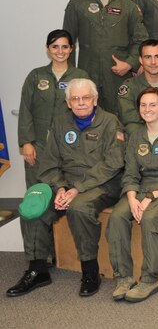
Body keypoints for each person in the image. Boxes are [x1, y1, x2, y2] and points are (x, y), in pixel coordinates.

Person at [6, 79, 125, 298]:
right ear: (68, 103)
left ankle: (90, 272)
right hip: (66, 184)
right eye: (75, 99)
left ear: (95, 99)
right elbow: (49, 163)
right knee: (33, 207)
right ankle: (37, 269)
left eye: (86, 98)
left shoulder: (110, 122)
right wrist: (60, 188)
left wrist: (77, 189)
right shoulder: (60, 123)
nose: (81, 103)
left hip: (102, 184)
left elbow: (113, 163)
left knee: (78, 208)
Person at [107, 87, 158, 302]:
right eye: (143, 105)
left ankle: (150, 278)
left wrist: (149, 198)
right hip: (143, 188)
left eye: (153, 104)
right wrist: (132, 197)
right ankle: (124, 277)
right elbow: (130, 173)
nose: (148, 109)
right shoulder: (135, 137)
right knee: (117, 216)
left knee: (151, 216)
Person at [63, 0, 148, 115]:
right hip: (86, 75)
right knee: (86, 120)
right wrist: (72, 76)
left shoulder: (129, 7)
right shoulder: (78, 4)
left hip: (117, 77)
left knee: (119, 122)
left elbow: (140, 41)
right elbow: (67, 43)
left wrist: (130, 64)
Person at [18, 30, 90, 186]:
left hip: (70, 143)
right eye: (55, 46)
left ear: (72, 48)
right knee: (37, 190)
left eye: (64, 47)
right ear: (47, 48)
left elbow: (88, 111)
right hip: (39, 144)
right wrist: (26, 142)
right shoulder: (35, 76)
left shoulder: (80, 76)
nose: (60, 51)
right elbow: (25, 109)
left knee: (66, 189)